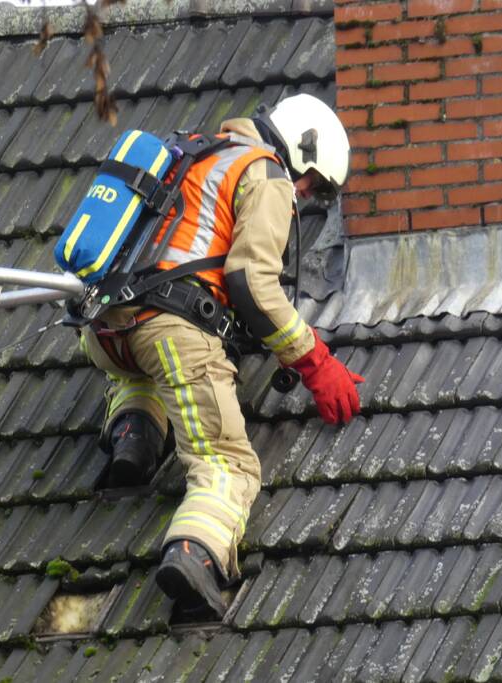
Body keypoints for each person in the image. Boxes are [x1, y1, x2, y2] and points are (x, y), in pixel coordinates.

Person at [78, 93, 364, 619]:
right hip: (171, 332)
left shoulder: (195, 152)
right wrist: (315, 362)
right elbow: (252, 282)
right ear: (300, 150)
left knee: (151, 367)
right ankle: (194, 556)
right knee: (226, 464)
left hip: (104, 334)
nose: (306, 195)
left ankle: (135, 433)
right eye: (314, 183)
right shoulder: (266, 173)